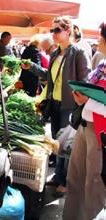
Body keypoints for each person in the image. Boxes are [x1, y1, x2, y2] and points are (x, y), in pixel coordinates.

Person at [21, 16, 90, 196]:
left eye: (57, 30)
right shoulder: (55, 53)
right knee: (56, 142)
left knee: (67, 145)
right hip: (54, 104)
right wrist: (32, 67)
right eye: (52, 30)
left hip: (70, 105)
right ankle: (58, 176)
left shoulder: (78, 53)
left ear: (68, 31)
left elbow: (85, 81)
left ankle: (66, 181)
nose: (54, 34)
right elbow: (48, 76)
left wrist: (79, 100)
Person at [63, 22, 106, 220]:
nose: (98, 41)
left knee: (94, 186)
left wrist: (89, 100)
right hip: (85, 125)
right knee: (75, 179)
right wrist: (83, 97)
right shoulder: (103, 65)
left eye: (101, 37)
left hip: (101, 133)